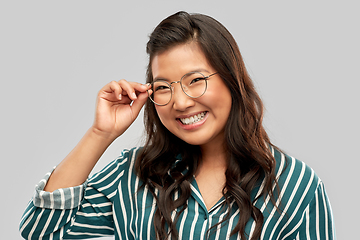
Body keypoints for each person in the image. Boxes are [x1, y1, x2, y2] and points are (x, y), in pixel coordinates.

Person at [19, 11, 335, 240]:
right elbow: (41, 230)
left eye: (196, 80)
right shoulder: (134, 173)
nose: (180, 102)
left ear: (230, 79)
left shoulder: (296, 185)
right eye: (163, 87)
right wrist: (101, 133)